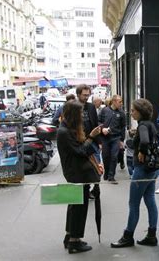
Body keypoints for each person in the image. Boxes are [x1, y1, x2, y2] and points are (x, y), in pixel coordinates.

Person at [111, 98, 159, 248]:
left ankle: (128, 236)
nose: (130, 112)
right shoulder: (150, 124)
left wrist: (141, 151)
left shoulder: (143, 125)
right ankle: (152, 235)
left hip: (142, 169)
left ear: (140, 112)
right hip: (153, 168)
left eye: (133, 110)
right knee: (150, 200)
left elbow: (144, 141)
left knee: (133, 204)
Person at [56, 101, 103, 254]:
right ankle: (74, 242)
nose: (83, 116)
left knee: (74, 205)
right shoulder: (64, 132)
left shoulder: (67, 128)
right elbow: (81, 151)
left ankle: (70, 236)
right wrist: (91, 136)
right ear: (73, 115)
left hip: (76, 172)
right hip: (76, 174)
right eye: (80, 113)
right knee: (78, 207)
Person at [98, 95, 126, 184]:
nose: (121, 103)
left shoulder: (121, 113)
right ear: (113, 102)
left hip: (116, 137)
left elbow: (123, 127)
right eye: (119, 102)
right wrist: (102, 129)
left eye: (121, 101)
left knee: (114, 157)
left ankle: (111, 176)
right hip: (105, 138)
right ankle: (106, 172)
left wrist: (122, 140)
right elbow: (98, 121)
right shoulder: (104, 110)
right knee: (105, 156)